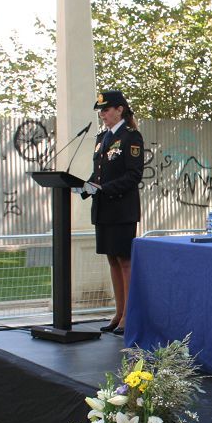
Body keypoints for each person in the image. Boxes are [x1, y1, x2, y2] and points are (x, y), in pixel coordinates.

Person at [87, 90, 144, 335]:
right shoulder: (102, 138)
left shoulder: (131, 137)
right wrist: (85, 186)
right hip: (104, 209)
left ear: (120, 109)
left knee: (125, 261)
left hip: (122, 209)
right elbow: (98, 172)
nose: (103, 114)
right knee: (112, 259)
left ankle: (128, 316)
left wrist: (104, 188)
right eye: (101, 111)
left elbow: (133, 175)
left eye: (107, 109)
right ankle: (118, 312)